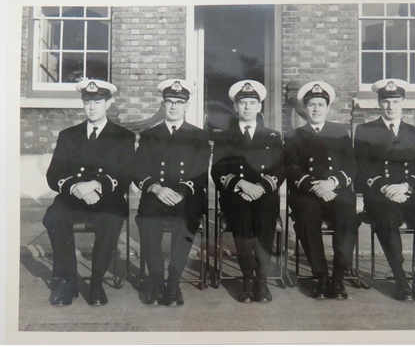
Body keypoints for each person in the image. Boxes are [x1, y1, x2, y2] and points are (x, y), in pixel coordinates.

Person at [43, 79, 136, 306]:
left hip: (107, 199)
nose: (92, 107)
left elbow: (125, 175)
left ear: (109, 103)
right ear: (83, 104)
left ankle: (96, 281)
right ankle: (66, 282)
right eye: (87, 102)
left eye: (98, 102)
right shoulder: (69, 135)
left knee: (112, 217)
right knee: (54, 216)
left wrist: (96, 185)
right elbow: (53, 175)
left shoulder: (123, 136)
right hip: (74, 198)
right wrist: (77, 188)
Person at [354, 79, 415, 301]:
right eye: (386, 101)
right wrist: (385, 187)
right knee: (386, 216)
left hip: (410, 191)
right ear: (378, 103)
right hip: (380, 193)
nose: (390, 106)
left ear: (403, 102)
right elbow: (361, 169)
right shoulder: (365, 131)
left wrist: (406, 186)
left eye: (395, 101)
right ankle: (400, 276)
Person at [134, 79, 210, 306]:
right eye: (170, 102)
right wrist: (156, 188)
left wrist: (180, 191)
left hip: (187, 195)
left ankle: (174, 281)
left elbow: (200, 171)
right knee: (147, 220)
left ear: (187, 106)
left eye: (179, 102)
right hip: (157, 192)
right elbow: (138, 170)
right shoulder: (150, 135)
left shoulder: (199, 136)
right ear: (163, 104)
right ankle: (157, 282)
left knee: (186, 220)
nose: (174, 106)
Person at [284, 81, 360, 299]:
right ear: (304, 109)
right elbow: (292, 167)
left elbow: (351, 166)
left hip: (335, 189)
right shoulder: (294, 136)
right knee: (306, 216)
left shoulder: (340, 133)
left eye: (320, 104)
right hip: (307, 193)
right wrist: (314, 187)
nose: (316, 109)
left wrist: (333, 183)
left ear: (328, 108)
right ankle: (321, 276)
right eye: (311, 105)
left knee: (348, 215)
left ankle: (338, 276)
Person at [211, 80, 285, 303]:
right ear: (235, 107)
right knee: (242, 217)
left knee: (264, 217)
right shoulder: (224, 136)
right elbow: (218, 169)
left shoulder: (272, 137)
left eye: (252, 103)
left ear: (259, 107)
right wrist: (241, 185)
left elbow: (280, 169)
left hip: (264, 193)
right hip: (236, 194)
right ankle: (247, 278)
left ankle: (261, 278)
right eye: (242, 103)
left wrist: (261, 187)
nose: (247, 107)